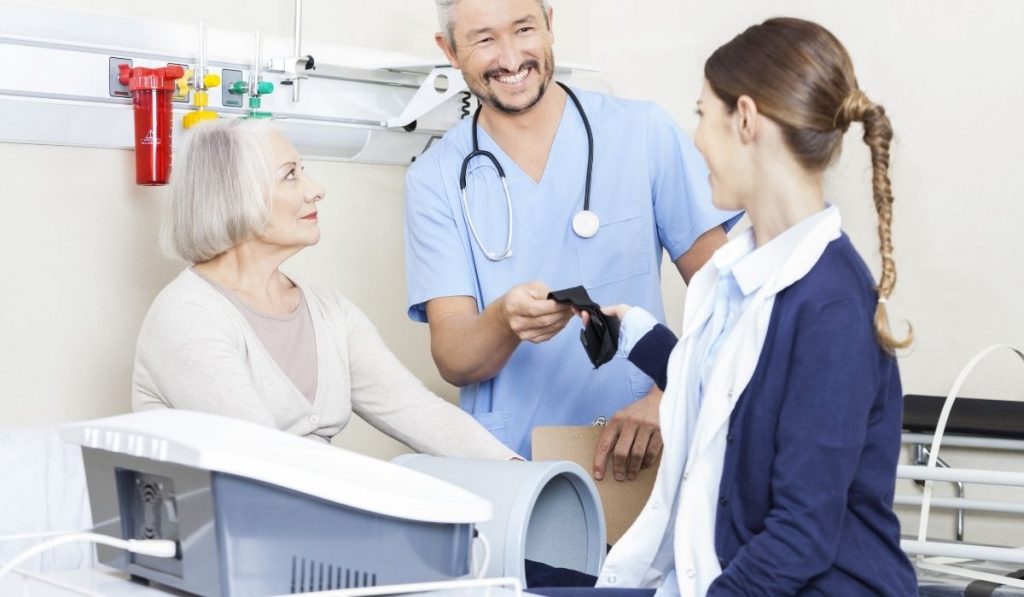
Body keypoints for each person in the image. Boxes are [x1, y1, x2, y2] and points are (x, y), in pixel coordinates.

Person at [582, 17, 918, 596]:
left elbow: (799, 537)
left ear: (745, 119)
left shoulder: (831, 307)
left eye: (701, 114)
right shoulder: (740, 272)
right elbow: (732, 392)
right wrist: (632, 333)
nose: (695, 138)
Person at [404, 0, 738, 471]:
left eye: (523, 29)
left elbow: (731, 299)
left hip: (637, 455)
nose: (510, 57)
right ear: (450, 50)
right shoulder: (435, 178)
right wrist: (503, 321)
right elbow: (454, 358)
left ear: (549, 26)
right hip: (512, 464)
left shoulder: (643, 132)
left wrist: (670, 392)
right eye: (483, 39)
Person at [132, 118, 518, 461]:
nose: (317, 190)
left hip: (311, 526)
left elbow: (418, 412)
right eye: (290, 175)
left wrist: (524, 477)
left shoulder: (331, 313)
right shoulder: (189, 315)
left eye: (305, 171)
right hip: (239, 531)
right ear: (234, 195)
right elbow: (259, 463)